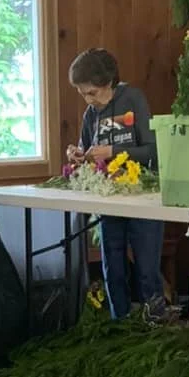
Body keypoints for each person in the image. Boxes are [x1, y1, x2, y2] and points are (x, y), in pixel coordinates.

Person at [67, 48, 164, 320]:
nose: (88, 100)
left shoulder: (133, 98)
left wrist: (112, 152)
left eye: (92, 93)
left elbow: (153, 151)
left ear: (108, 83)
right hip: (109, 200)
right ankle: (118, 322)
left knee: (146, 268)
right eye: (82, 94)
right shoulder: (90, 115)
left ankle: (154, 324)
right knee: (114, 267)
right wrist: (78, 156)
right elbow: (88, 151)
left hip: (144, 198)